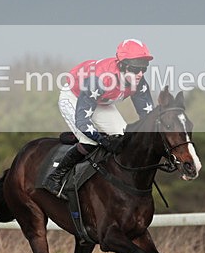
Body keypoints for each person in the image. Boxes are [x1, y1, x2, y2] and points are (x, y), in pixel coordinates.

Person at [45, 39, 155, 197]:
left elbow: (148, 118)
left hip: (101, 101)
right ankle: (55, 177)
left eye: (144, 69)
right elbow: (83, 122)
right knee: (90, 141)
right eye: (136, 69)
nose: (140, 74)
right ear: (122, 65)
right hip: (74, 97)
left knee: (122, 137)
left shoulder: (139, 82)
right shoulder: (101, 80)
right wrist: (103, 140)